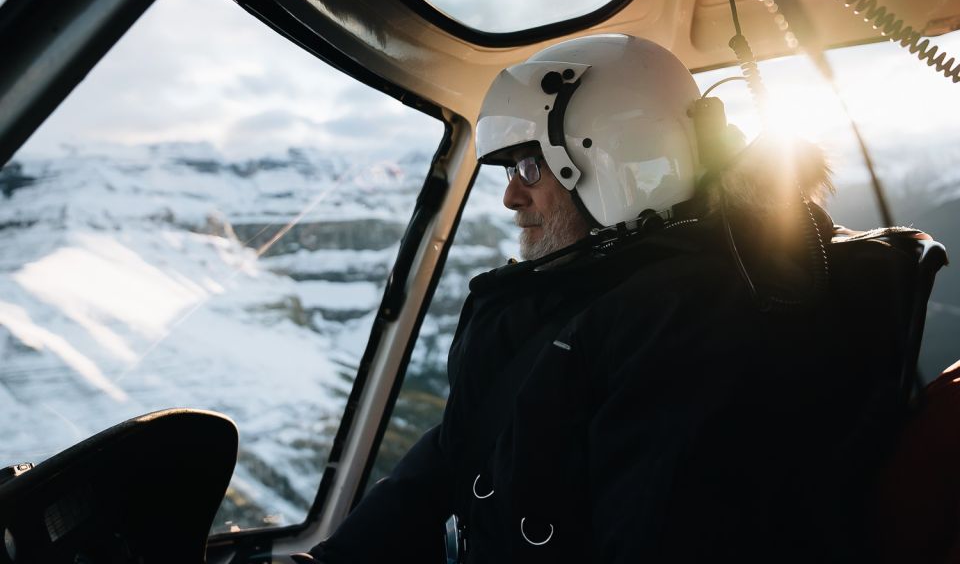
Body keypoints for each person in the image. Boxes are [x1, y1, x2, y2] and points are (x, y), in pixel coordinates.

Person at [295, 34, 916, 563]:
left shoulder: (693, 323)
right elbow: (459, 451)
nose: (511, 197)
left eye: (527, 168)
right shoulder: (579, 292)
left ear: (608, 158)